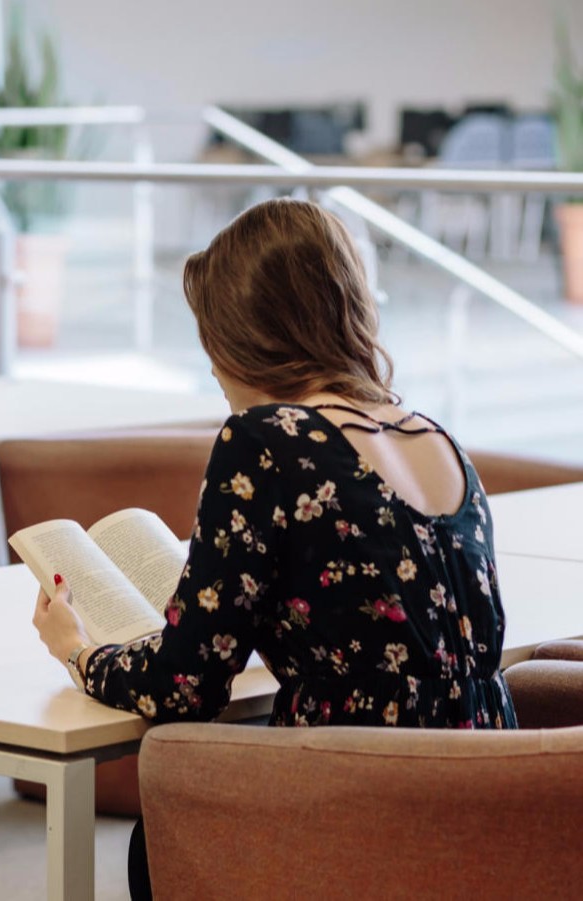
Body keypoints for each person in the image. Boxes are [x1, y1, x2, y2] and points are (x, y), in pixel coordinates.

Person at [33, 198, 517, 897]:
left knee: (160, 832)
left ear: (245, 335)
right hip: (492, 802)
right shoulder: (436, 437)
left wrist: (79, 651)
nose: (212, 370)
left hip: (365, 800)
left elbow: (185, 686)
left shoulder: (264, 438)